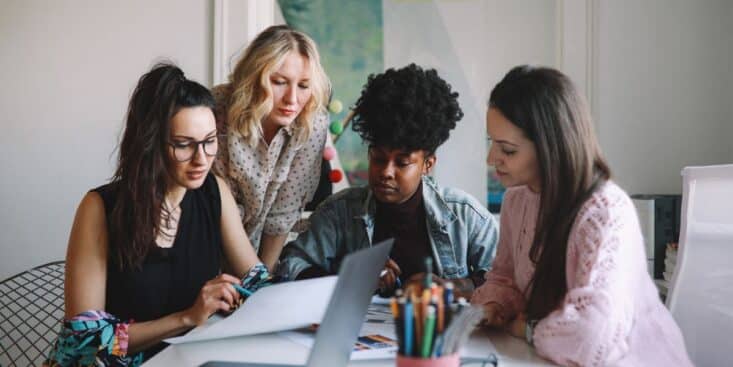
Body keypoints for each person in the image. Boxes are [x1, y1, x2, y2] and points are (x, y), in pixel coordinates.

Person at [44, 63, 274, 365]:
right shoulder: (99, 207)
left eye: (209, 141)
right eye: (183, 145)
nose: (201, 159)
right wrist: (187, 318)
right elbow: (84, 339)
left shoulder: (214, 192)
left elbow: (256, 279)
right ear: (151, 144)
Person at [471, 65, 693, 366]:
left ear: (550, 147)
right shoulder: (516, 200)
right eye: (491, 143)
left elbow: (592, 336)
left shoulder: (605, 212)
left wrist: (527, 328)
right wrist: (494, 304)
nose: (491, 159)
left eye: (507, 150)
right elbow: (504, 278)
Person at [278, 64, 499, 298]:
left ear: (428, 164)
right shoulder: (338, 213)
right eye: (378, 158)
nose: (386, 172)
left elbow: (506, 279)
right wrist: (352, 277)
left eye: (402, 163)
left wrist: (452, 288)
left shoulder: (465, 215)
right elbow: (290, 266)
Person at [212, 25, 331, 271]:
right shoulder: (216, 110)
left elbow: (282, 215)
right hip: (205, 248)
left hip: (255, 258)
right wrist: (252, 280)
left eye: (304, 85)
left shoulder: (312, 121)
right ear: (254, 78)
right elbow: (219, 207)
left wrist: (262, 283)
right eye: (279, 82)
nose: (292, 99)